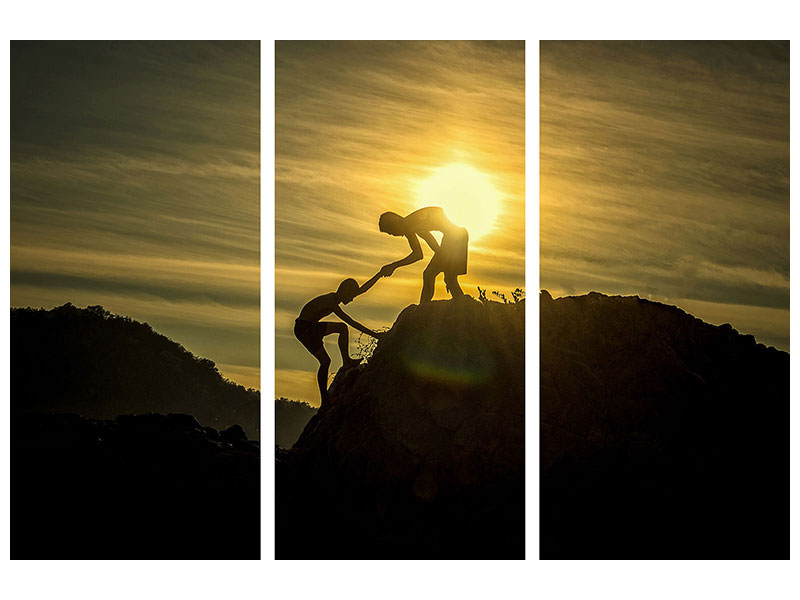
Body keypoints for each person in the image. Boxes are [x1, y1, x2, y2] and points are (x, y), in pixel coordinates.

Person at [294, 274, 383, 405]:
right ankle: (325, 399)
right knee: (325, 361)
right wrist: (376, 335)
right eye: (351, 296)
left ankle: (346, 361)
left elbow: (362, 290)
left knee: (341, 330)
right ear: (345, 292)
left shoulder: (337, 298)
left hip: (310, 327)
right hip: (305, 329)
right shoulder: (331, 302)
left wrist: (380, 274)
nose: (352, 299)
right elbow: (352, 322)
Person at [378, 206, 469, 303]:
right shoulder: (410, 226)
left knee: (433, 275)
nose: (394, 235)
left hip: (456, 237)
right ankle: (427, 307)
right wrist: (444, 262)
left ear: (395, 223)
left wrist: (393, 266)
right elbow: (420, 253)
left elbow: (419, 253)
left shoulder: (410, 224)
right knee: (441, 277)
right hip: (455, 236)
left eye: (391, 232)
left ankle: (424, 308)